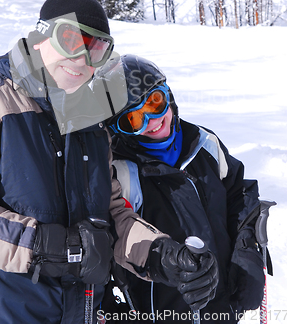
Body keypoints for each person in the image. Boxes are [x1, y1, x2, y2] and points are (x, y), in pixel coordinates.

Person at [0, 0, 218, 324]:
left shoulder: (90, 120)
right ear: (41, 36)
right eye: (71, 40)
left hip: (78, 311)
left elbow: (111, 215)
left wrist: (160, 254)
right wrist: (47, 246)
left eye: (97, 49)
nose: (82, 60)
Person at [93, 54, 268, 323]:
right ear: (119, 130)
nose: (152, 121)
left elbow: (238, 193)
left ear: (169, 96)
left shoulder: (204, 143)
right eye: (134, 120)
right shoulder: (120, 173)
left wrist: (246, 249)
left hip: (223, 308)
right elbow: (113, 237)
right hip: (163, 312)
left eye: (155, 103)